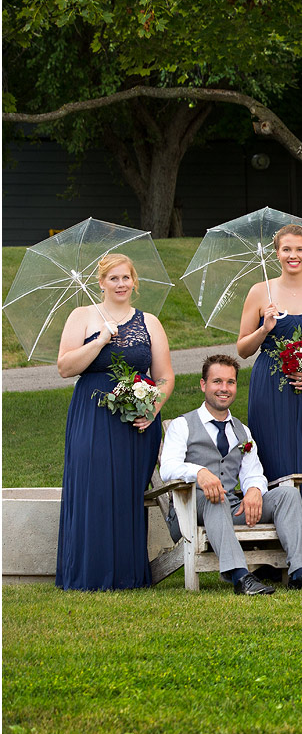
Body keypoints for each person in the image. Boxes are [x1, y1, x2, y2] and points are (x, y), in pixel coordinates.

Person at [56, 253, 173, 591]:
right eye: (114, 279)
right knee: (93, 488)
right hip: (91, 415)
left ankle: (127, 576)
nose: (121, 284)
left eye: (126, 278)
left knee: (127, 493)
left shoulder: (149, 322)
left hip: (136, 421)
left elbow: (164, 376)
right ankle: (87, 574)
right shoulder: (82, 316)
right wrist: (100, 340)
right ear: (101, 282)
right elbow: (65, 367)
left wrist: (152, 408)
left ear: (134, 281)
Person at [159, 355, 302, 595]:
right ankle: (240, 576)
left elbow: (252, 471)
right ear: (204, 385)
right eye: (217, 381)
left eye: (230, 382)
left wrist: (255, 490)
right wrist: (199, 472)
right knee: (217, 496)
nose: (224, 388)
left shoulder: (241, 430)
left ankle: (301, 572)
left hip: (229, 508)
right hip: (190, 511)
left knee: (287, 495)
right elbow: (168, 468)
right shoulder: (183, 425)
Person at [237, 224, 302, 582]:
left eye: (299, 249)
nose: (293, 255)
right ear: (276, 253)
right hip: (270, 388)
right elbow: (242, 350)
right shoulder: (259, 292)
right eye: (286, 249)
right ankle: (269, 562)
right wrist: (264, 328)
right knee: (274, 461)